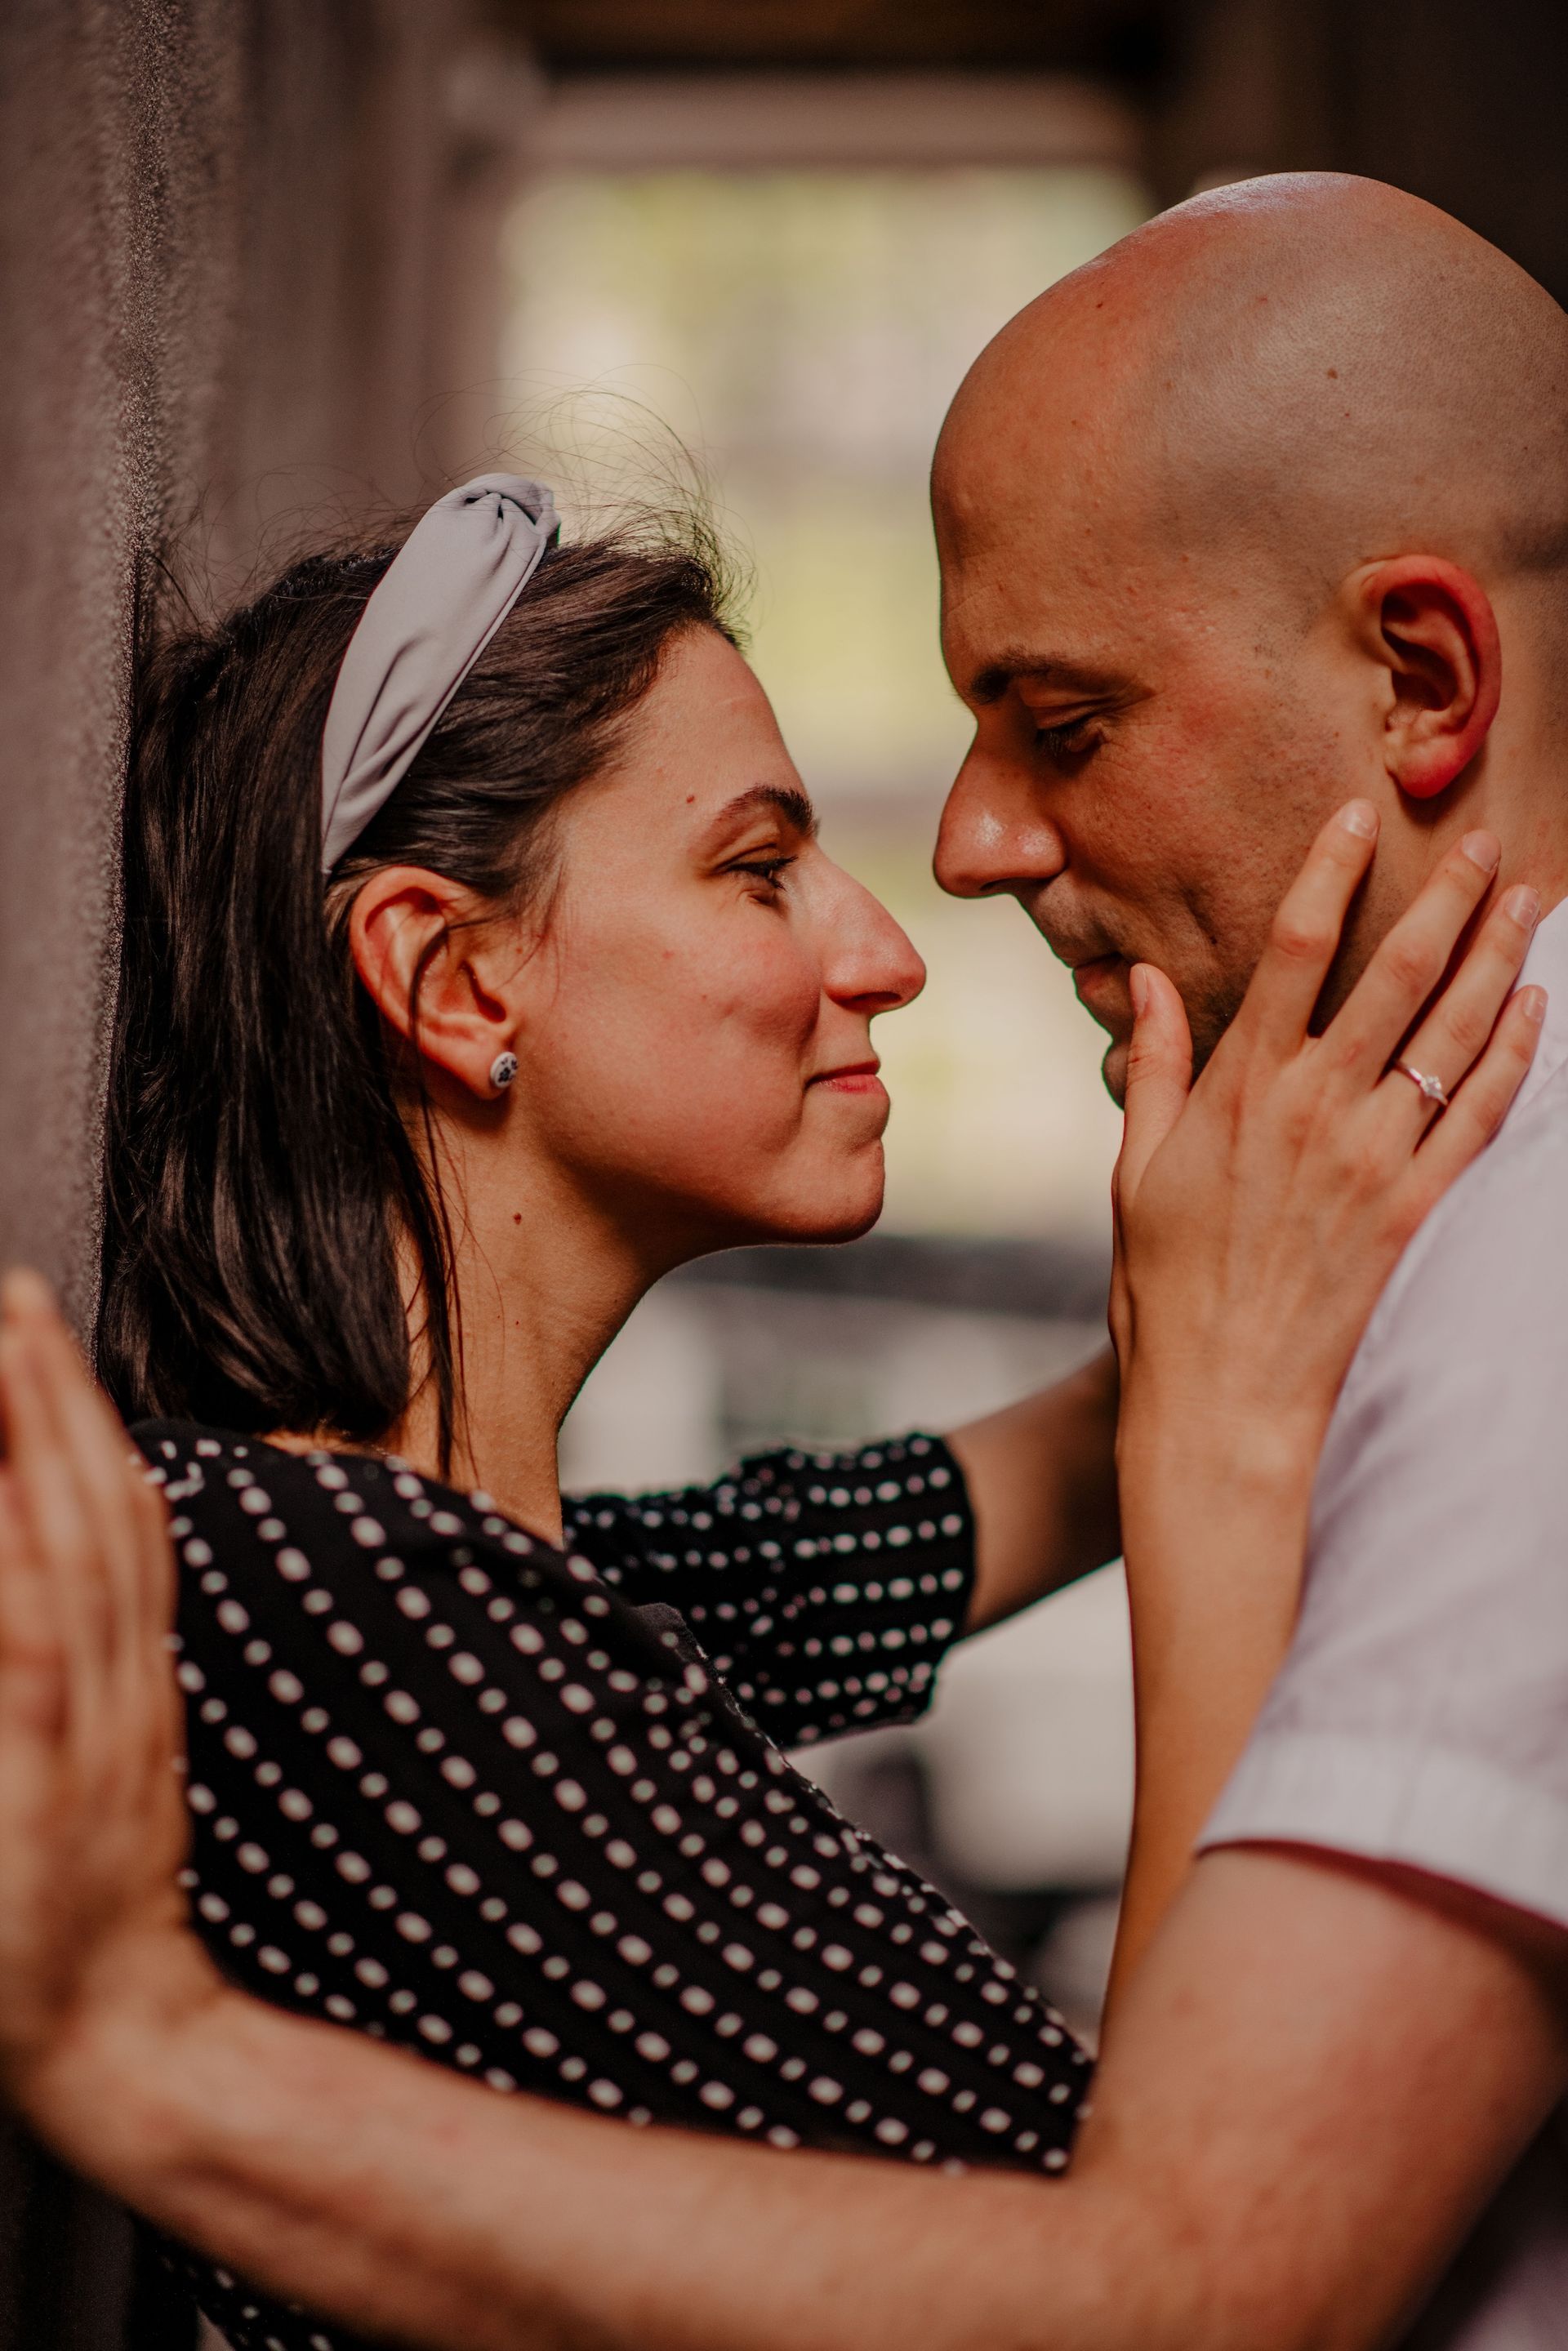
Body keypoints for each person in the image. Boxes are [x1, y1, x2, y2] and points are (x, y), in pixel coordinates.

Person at [0, 167, 1560, 2351]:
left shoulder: (499, 1586)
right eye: (759, 869)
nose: (889, 948)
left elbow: (869, 1538)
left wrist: (1246, 1270)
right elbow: (1130, 2259)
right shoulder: (318, 1604)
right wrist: (1216, 1432)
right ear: (458, 988)